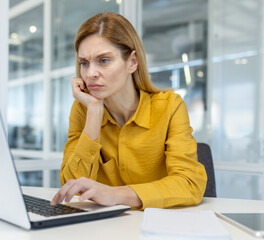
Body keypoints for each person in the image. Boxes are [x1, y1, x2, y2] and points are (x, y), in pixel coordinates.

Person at [50, 12, 207, 210]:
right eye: (84, 63)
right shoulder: (85, 109)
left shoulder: (169, 106)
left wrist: (116, 194)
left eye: (104, 60)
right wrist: (94, 113)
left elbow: (190, 183)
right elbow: (72, 185)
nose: (90, 73)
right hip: (106, 227)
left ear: (132, 62)